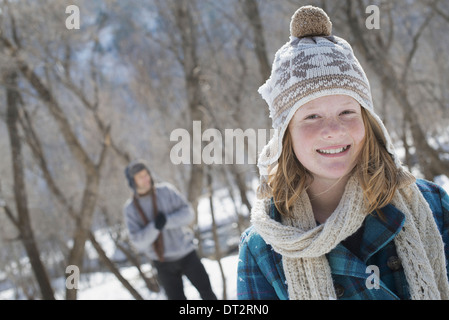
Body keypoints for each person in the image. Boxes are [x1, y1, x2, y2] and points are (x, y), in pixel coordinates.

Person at [237, 6, 449, 300]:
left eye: (347, 111)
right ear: (285, 135)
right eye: (311, 117)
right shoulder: (262, 248)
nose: (333, 130)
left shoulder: (431, 205)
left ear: (369, 122)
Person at [123, 160, 217, 300]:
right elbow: (138, 242)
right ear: (132, 182)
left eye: (146, 174)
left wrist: (167, 221)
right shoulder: (131, 209)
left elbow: (188, 214)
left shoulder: (166, 191)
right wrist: (154, 227)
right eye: (140, 177)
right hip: (162, 262)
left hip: (187, 253)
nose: (146, 178)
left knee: (207, 294)